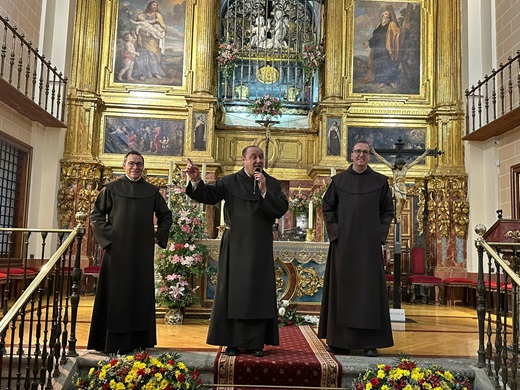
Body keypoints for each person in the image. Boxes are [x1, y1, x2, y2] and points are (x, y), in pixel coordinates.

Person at [185, 146, 288, 357]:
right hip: (235, 245)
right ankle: (231, 341)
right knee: (232, 293)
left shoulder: (272, 183)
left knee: (257, 294)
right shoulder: (229, 181)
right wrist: (196, 180)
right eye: (253, 157)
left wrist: (264, 191)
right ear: (244, 160)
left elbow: (280, 209)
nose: (258, 160)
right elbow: (209, 196)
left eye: (261, 157)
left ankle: (255, 343)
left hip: (260, 246)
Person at [88, 150, 173, 354]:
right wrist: (112, 238)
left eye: (139, 164)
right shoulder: (111, 189)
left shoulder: (152, 191)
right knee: (116, 295)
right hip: (116, 253)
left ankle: (139, 340)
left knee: (139, 295)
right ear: (124, 165)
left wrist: (158, 236)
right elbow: (96, 216)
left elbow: (166, 216)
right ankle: (111, 342)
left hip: (141, 254)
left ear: (143, 167)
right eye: (132, 163)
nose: (135, 167)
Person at [318, 140, 394, 358]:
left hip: (369, 248)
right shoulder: (339, 181)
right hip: (343, 246)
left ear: (369, 156)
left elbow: (387, 211)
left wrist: (378, 235)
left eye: (365, 152)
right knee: (342, 291)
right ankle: (339, 341)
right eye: (358, 152)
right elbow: (328, 208)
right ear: (351, 155)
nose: (361, 155)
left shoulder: (380, 182)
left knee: (368, 293)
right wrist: (337, 233)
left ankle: (370, 342)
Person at [370, 146, 431, 223]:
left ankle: (399, 214)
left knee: (404, 200)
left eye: (400, 165)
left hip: (402, 186)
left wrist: (425, 154)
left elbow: (416, 161)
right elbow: (383, 160)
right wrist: (374, 152)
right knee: (399, 199)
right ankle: (397, 216)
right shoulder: (393, 169)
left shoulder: (405, 168)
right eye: (398, 165)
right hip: (396, 186)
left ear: (402, 164)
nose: (399, 166)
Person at [362, 9, 401, 89]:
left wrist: (402, 31)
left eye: (388, 15)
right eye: (385, 14)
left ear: (389, 17)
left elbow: (397, 32)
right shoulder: (379, 25)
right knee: (379, 65)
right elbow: (375, 37)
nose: (386, 16)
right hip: (377, 48)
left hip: (386, 48)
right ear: (382, 16)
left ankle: (393, 81)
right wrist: (368, 42)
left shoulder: (392, 24)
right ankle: (383, 82)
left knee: (388, 64)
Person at [132, 1, 167, 81]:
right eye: (153, 4)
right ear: (149, 5)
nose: (154, 6)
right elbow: (136, 25)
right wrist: (139, 30)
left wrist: (158, 27)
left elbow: (163, 26)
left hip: (153, 39)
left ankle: (155, 72)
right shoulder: (143, 15)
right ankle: (142, 73)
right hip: (143, 38)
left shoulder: (158, 15)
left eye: (156, 5)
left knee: (153, 54)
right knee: (143, 55)